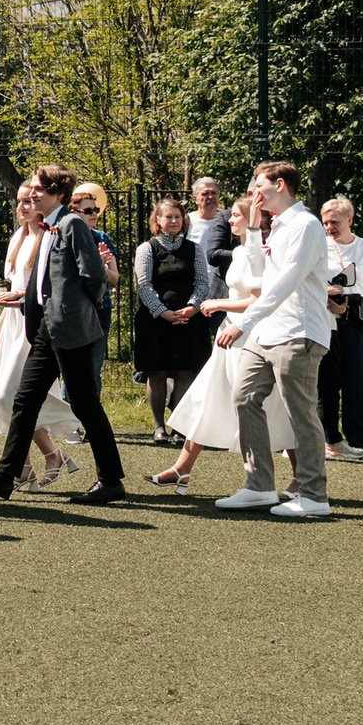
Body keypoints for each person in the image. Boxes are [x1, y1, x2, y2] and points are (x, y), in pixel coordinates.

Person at [0, 167, 123, 502]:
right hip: (45, 330)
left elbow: (94, 277)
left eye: (39, 189)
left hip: (69, 330)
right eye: (33, 189)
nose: (32, 194)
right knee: (24, 401)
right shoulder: (49, 227)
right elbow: (47, 284)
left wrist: (77, 312)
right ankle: (5, 476)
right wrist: (23, 299)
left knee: (85, 404)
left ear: (58, 194)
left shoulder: (72, 224)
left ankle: (111, 482)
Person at [212, 160, 332, 519]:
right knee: (244, 396)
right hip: (267, 332)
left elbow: (284, 284)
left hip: (298, 332)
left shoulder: (306, 225)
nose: (254, 192)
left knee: (300, 413)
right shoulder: (277, 226)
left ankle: (314, 495)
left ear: (280, 185)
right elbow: (258, 277)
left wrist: (243, 322)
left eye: (259, 185)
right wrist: (253, 229)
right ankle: (259, 486)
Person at [153, 192, 294, 492]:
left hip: (249, 336)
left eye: (236, 216)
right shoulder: (240, 252)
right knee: (207, 397)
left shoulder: (262, 253)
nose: (230, 220)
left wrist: (218, 304)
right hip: (228, 336)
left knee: (271, 405)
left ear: (254, 219)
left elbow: (258, 299)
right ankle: (182, 469)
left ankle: (300, 476)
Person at [0, 182, 77, 487]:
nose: (22, 207)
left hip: (32, 326)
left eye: (28, 202)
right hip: (12, 323)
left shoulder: (49, 237)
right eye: (20, 202)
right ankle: (31, 464)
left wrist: (19, 301)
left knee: (8, 398)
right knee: (12, 400)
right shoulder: (17, 239)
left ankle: (46, 457)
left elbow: (42, 290)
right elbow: (13, 290)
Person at [134, 195, 215, 445]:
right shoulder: (147, 249)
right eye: (168, 216)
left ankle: (179, 427)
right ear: (157, 220)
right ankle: (159, 426)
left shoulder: (194, 249)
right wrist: (162, 312)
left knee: (185, 372)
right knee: (156, 372)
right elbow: (143, 284)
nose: (173, 221)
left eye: (178, 217)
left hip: (189, 320)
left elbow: (202, 283)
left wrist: (191, 308)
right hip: (155, 321)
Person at [314, 196, 363, 459]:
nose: (329, 227)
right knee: (327, 379)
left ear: (350, 220)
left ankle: (356, 436)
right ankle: (326, 435)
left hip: (357, 314)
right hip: (325, 313)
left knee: (356, 376)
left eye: (335, 222)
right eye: (325, 222)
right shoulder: (319, 245)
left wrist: (347, 302)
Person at [69, 181, 120, 390]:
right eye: (88, 211)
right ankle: (68, 411)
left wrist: (101, 266)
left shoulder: (102, 238)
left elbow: (114, 278)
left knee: (93, 370)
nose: (94, 214)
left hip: (101, 309)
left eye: (96, 210)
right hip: (76, 310)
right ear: (74, 213)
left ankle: (91, 409)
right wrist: (95, 263)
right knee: (74, 370)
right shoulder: (67, 237)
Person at [185, 176, 235, 282]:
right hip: (194, 281)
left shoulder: (229, 222)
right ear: (195, 199)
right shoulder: (187, 221)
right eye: (205, 194)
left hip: (220, 281)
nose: (210, 197)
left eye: (214, 193)